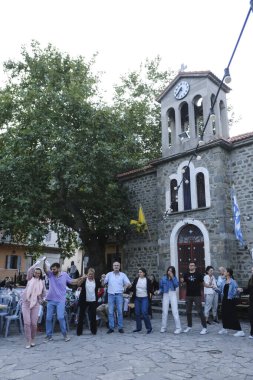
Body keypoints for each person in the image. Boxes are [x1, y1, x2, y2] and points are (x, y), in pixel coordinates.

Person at [43, 258, 84, 342]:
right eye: (52, 269)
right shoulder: (50, 274)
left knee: (61, 317)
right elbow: (45, 269)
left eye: (54, 269)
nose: (52, 270)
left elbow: (73, 281)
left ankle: (65, 335)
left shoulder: (64, 275)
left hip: (60, 300)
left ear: (58, 268)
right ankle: (48, 336)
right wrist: (44, 262)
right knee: (48, 318)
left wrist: (81, 278)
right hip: (50, 300)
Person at [21, 259, 46, 349]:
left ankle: (33, 339)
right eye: (36, 272)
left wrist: (42, 299)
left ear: (40, 274)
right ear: (34, 273)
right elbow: (29, 270)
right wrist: (36, 264)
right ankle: (28, 340)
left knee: (34, 324)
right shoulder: (30, 278)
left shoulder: (42, 282)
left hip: (36, 304)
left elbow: (44, 293)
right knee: (27, 323)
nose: (37, 274)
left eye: (39, 273)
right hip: (26, 302)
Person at [101, 260, 131, 334]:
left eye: (117, 265)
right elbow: (103, 284)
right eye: (115, 265)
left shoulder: (123, 275)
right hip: (110, 295)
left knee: (120, 312)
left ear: (119, 267)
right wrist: (103, 279)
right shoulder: (109, 274)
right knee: (110, 312)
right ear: (113, 267)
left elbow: (129, 284)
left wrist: (126, 286)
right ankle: (111, 327)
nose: (116, 267)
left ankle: (120, 327)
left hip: (119, 295)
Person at [182, 262, 207, 335]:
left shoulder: (199, 274)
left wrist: (209, 286)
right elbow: (184, 285)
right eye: (190, 265)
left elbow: (203, 284)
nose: (191, 266)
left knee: (200, 311)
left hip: (197, 295)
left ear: (195, 267)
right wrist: (182, 282)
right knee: (188, 311)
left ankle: (204, 327)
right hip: (188, 295)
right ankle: (189, 326)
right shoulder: (186, 274)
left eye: (192, 265)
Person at [218, 268, 245, 337]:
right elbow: (220, 291)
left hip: (230, 300)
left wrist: (238, 290)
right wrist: (213, 287)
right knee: (224, 314)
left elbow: (235, 292)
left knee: (232, 315)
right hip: (224, 300)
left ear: (228, 273)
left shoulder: (233, 282)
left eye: (225, 271)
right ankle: (224, 328)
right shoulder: (223, 281)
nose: (223, 272)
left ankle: (240, 330)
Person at [76, 268, 100, 335]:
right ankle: (79, 332)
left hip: (93, 300)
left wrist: (103, 279)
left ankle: (93, 331)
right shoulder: (84, 280)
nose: (90, 276)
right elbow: (78, 284)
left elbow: (102, 285)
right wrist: (82, 278)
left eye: (92, 274)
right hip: (84, 300)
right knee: (81, 315)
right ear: (87, 274)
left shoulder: (96, 280)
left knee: (93, 316)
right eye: (89, 274)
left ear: (94, 275)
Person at [159, 266, 181, 334]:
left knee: (175, 311)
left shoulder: (174, 278)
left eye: (171, 271)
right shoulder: (163, 278)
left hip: (172, 294)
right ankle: (163, 327)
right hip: (165, 294)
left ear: (173, 272)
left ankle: (178, 328)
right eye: (169, 270)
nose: (169, 272)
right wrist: (159, 291)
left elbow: (176, 285)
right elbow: (161, 288)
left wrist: (172, 277)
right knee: (164, 312)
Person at [130, 268, 152, 334]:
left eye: (141, 272)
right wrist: (128, 287)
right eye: (139, 272)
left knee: (144, 312)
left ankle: (149, 328)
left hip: (145, 298)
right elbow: (132, 288)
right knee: (137, 313)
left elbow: (150, 290)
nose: (139, 273)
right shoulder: (136, 279)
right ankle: (138, 328)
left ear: (144, 273)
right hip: (137, 298)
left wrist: (154, 293)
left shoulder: (147, 280)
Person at [242, 267, 253, 339]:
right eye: (252, 270)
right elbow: (248, 289)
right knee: (251, 316)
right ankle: (252, 332)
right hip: (252, 300)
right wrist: (242, 290)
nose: (252, 271)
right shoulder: (251, 279)